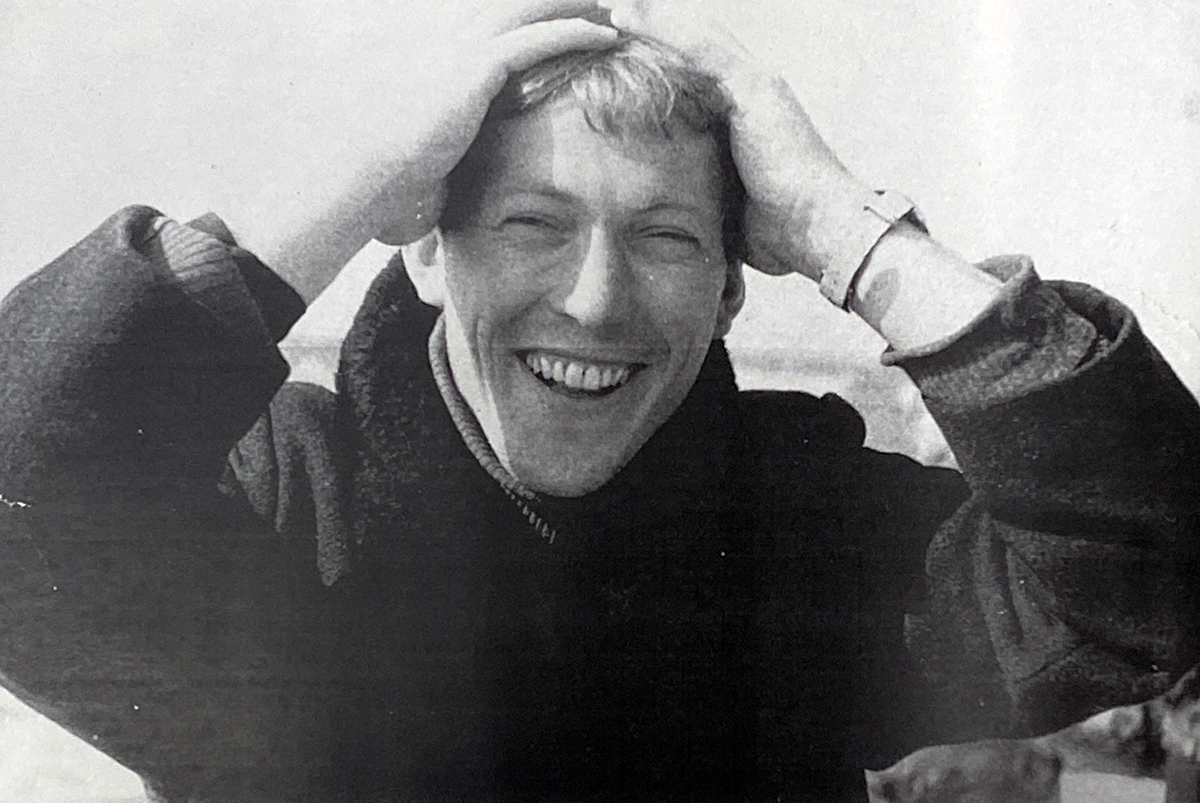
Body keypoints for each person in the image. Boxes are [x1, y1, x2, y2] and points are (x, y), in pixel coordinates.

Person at [1, 1, 1197, 800]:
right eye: (533, 221)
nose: (594, 298)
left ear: (731, 290)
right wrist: (357, 175)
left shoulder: (803, 534)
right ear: (426, 250)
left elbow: (1154, 570)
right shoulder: (283, 500)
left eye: (665, 237)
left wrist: (847, 225)